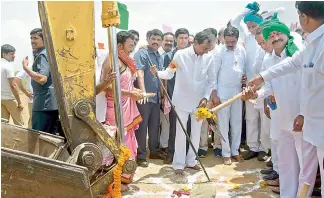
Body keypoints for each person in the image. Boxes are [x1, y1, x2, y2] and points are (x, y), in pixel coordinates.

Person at [247, 1, 324, 196]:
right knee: (290, 167)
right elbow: (277, 78)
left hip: (306, 121)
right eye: (269, 35)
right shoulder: (308, 46)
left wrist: (302, 113)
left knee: (307, 171)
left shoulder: (303, 46)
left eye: (277, 32)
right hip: (286, 120)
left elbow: (308, 85)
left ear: (303, 17)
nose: (274, 36)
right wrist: (259, 86)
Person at [150, 30, 218, 174]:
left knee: (196, 133)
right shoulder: (180, 55)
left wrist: (206, 97)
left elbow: (212, 80)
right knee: (181, 134)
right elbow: (169, 73)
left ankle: (191, 161)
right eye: (205, 48)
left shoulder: (209, 57)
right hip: (181, 101)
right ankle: (179, 164)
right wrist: (157, 73)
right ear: (196, 43)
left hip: (200, 103)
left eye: (208, 49)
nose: (206, 51)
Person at [231, 1, 268, 161]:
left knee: (264, 118)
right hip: (249, 85)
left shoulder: (266, 37)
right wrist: (246, 11)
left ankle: (264, 149)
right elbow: (234, 22)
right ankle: (253, 147)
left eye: (254, 25)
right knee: (251, 117)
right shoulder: (247, 37)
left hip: (265, 83)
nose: (251, 29)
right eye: (249, 25)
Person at [213, 27, 246, 165]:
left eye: (233, 41)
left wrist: (244, 81)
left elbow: (243, 69)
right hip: (223, 93)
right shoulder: (219, 52)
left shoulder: (242, 50)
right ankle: (226, 153)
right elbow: (213, 75)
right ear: (223, 39)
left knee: (237, 123)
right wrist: (214, 94)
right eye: (228, 41)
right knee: (223, 124)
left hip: (237, 92)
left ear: (237, 39)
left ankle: (235, 151)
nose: (230, 44)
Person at [134, 29, 165, 167]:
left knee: (154, 126)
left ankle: (154, 151)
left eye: (159, 39)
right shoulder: (142, 53)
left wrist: (163, 95)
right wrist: (143, 92)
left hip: (156, 97)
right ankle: (140, 155)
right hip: (145, 97)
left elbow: (161, 76)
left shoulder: (160, 55)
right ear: (147, 39)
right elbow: (139, 73)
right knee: (142, 127)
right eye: (153, 38)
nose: (156, 42)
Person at [22, 28, 61, 135]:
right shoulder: (46, 54)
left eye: (36, 38)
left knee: (39, 138)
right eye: (31, 38)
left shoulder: (43, 55)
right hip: (49, 103)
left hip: (43, 104)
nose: (32, 41)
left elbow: (42, 79)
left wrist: (26, 68)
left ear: (44, 39)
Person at [163, 28, 190, 164]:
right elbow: (166, 78)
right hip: (174, 97)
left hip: (190, 98)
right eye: (181, 38)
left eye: (186, 38)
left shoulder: (191, 54)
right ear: (176, 39)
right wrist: (166, 98)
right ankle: (171, 153)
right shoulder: (169, 56)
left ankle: (186, 155)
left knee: (188, 127)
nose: (183, 40)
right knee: (174, 127)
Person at [158, 32, 175, 154]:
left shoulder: (173, 56)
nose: (169, 43)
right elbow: (163, 77)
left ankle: (164, 145)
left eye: (171, 41)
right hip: (158, 93)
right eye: (166, 40)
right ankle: (160, 145)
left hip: (170, 93)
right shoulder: (157, 54)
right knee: (159, 122)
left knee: (166, 122)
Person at [1, 44, 24, 126]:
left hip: (1, 99)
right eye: (11, 54)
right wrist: (19, 102)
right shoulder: (8, 66)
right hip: (10, 99)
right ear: (4, 54)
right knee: (19, 125)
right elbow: (13, 85)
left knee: (4, 125)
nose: (14, 56)